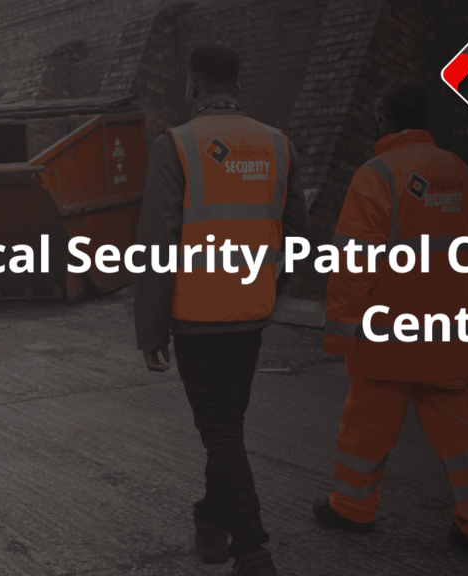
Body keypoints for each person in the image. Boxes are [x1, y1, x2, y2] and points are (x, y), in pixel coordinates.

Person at [313, 77, 468, 556]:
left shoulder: (377, 175)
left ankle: (352, 508)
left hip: (386, 336)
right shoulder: (463, 175)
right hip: (445, 334)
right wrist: (467, 312)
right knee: (460, 434)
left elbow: (354, 263)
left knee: (367, 427)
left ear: (383, 120)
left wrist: (341, 333)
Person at [134, 43, 309, 576]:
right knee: (226, 425)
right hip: (250, 315)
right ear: (236, 84)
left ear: (193, 85)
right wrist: (272, 293)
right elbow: (299, 237)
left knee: (222, 432)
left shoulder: (177, 145)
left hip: (198, 319)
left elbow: (157, 245)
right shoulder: (278, 145)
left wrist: (151, 330)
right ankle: (211, 522)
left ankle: (252, 547)